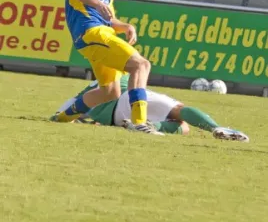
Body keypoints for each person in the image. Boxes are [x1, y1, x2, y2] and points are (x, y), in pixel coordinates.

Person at [54, 0, 159, 134]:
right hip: (91, 32)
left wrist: (125, 26)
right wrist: (96, 3)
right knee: (141, 65)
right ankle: (139, 123)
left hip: (100, 33)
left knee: (110, 92)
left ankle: (62, 117)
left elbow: (109, 18)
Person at [51, 74, 249, 142]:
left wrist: (86, 121)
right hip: (131, 96)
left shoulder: (83, 95)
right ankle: (216, 128)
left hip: (113, 119)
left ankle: (148, 125)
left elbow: (60, 116)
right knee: (180, 112)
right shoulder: (120, 73)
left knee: (184, 126)